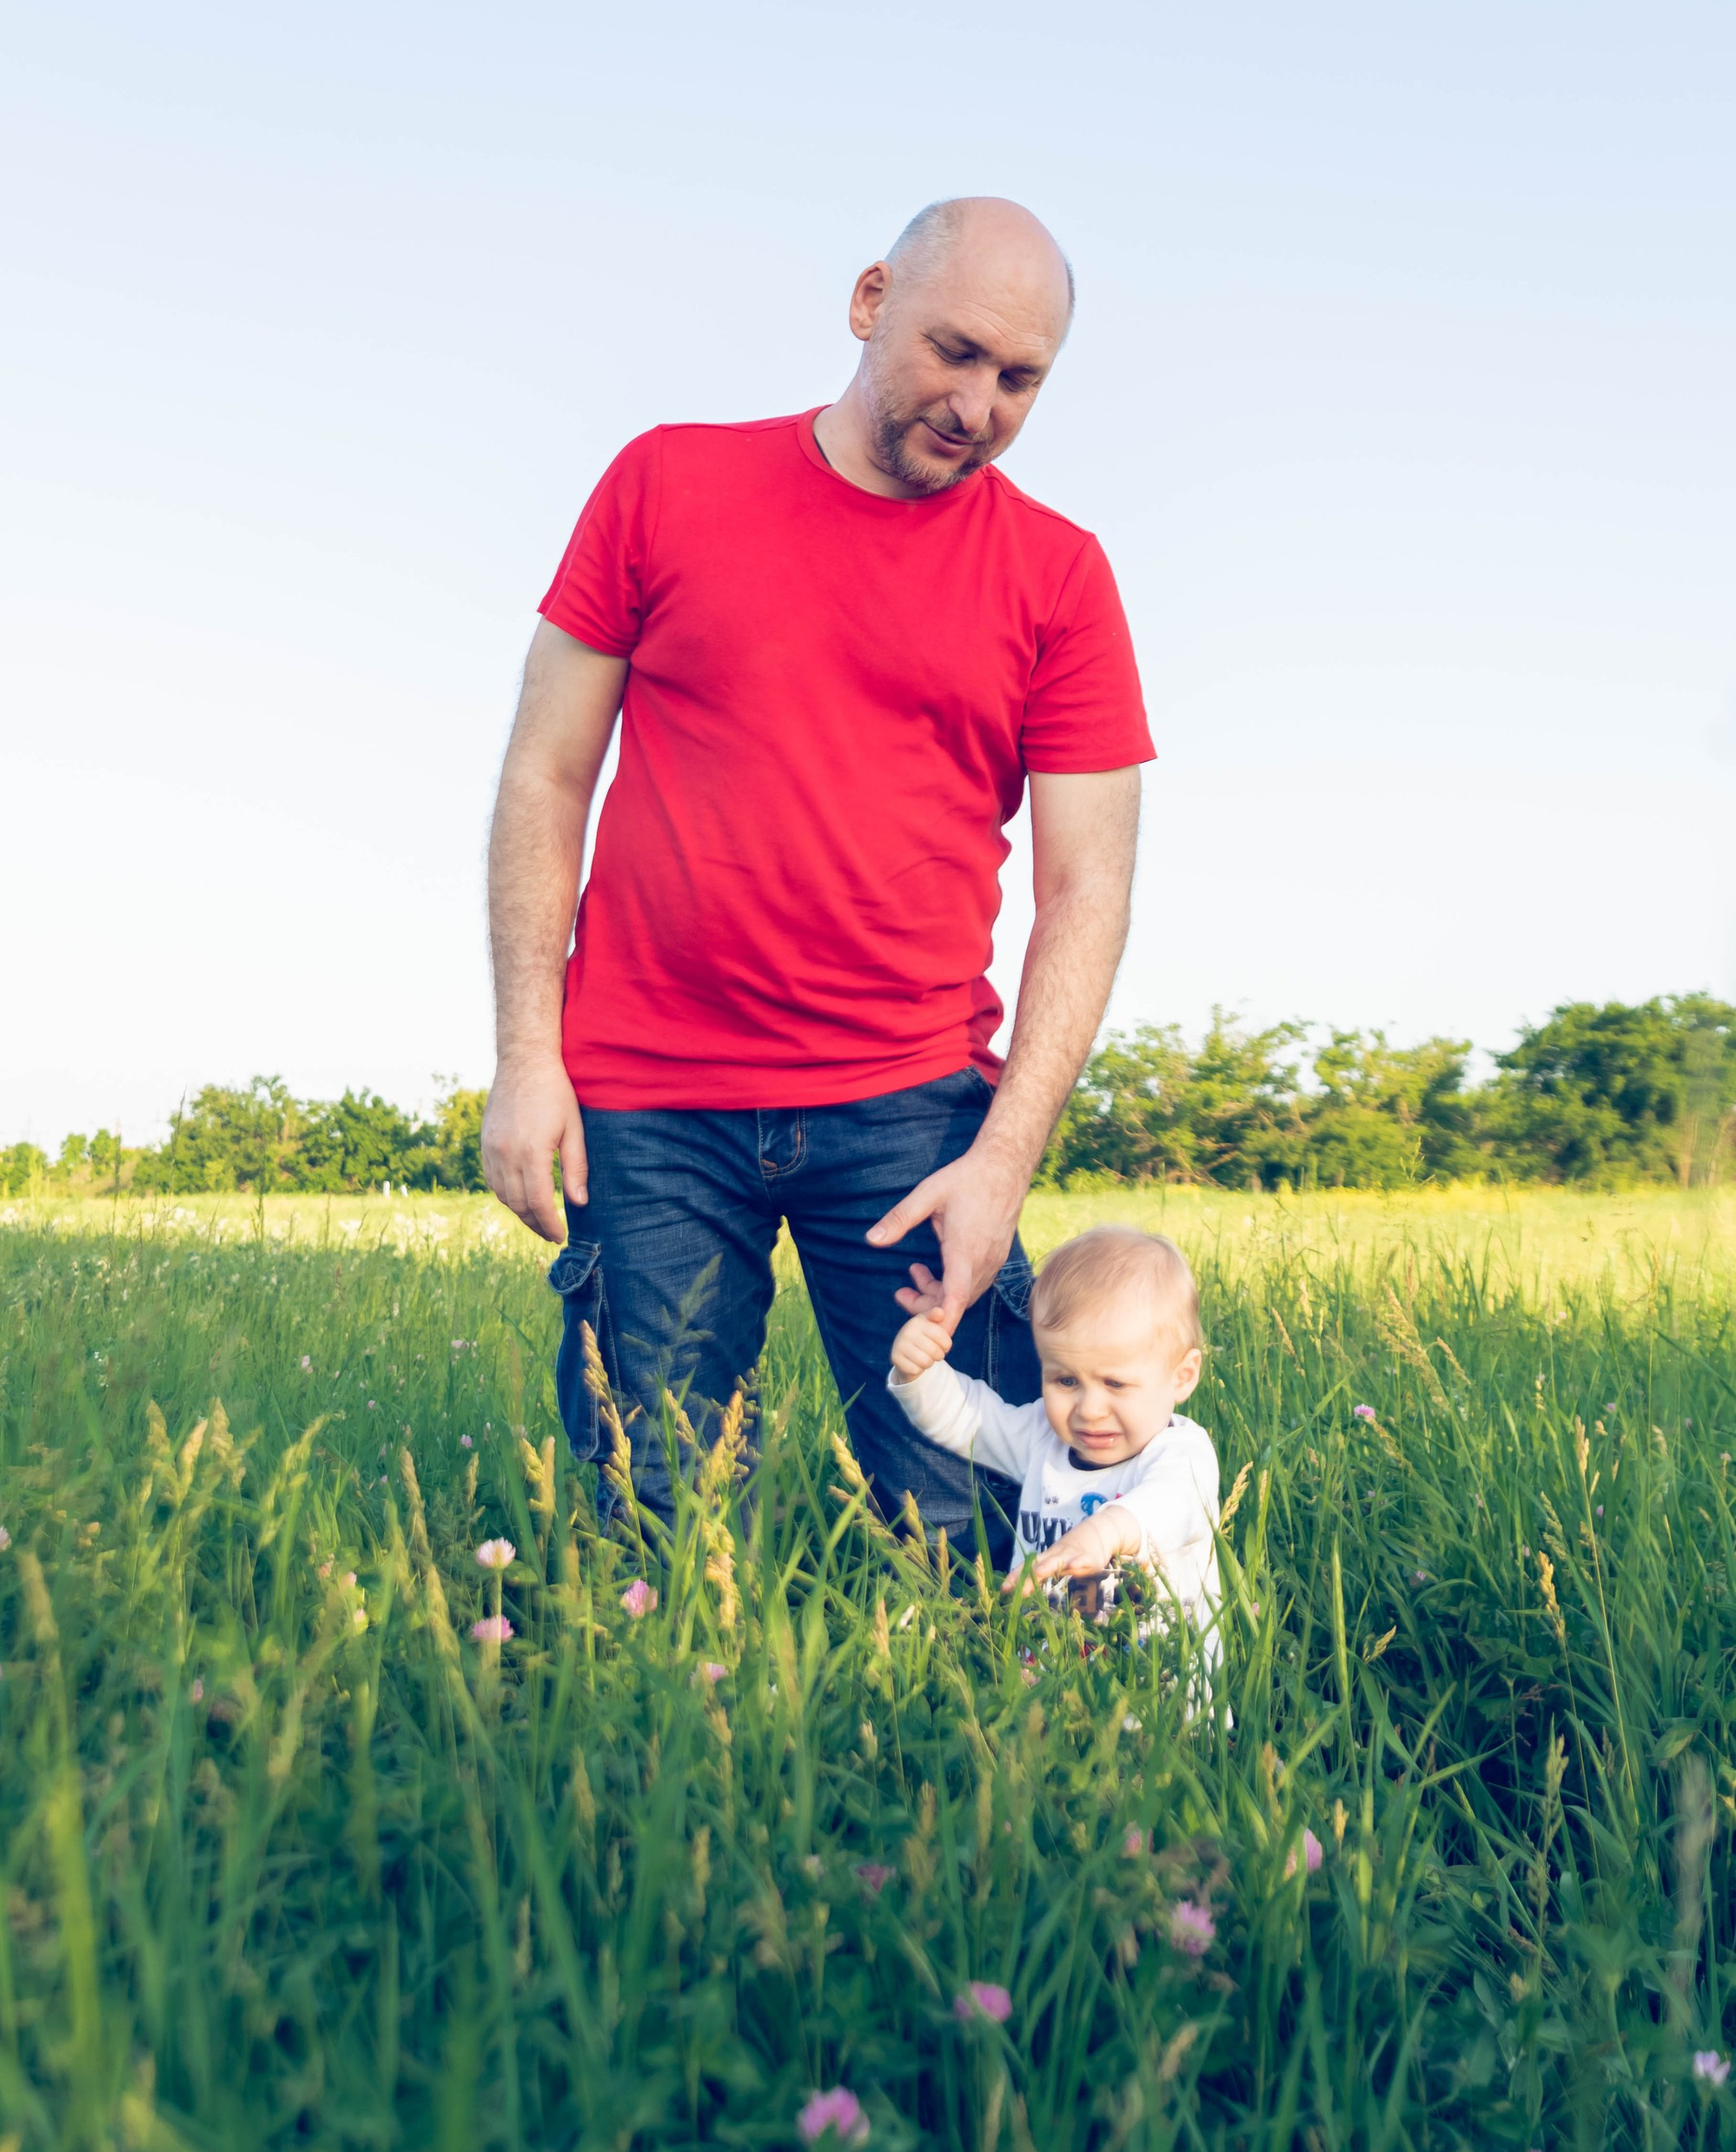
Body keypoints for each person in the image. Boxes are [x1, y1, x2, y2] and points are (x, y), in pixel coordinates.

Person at [480, 195, 1153, 1555]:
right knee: (650, 1531)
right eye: (955, 353)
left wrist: (1003, 1164)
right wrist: (524, 1055)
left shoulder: (1061, 578)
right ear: (867, 303)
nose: (978, 406)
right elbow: (544, 776)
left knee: (980, 1528)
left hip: (909, 1115)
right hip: (651, 1102)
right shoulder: (663, 484)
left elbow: (1089, 890)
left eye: (1020, 380)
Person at [888, 1223, 1220, 1633]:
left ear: (1182, 1376)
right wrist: (920, 1371)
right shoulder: (1042, 1438)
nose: (1090, 1409)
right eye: (1066, 1381)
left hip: (1164, 1674)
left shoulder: (1183, 1453)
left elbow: (1171, 1504)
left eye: (1115, 1383)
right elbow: (969, 1419)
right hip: (1050, 1665)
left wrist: (1105, 1532)